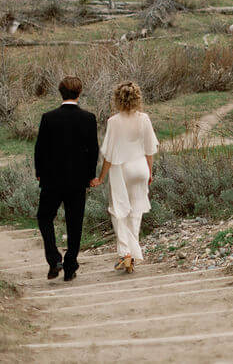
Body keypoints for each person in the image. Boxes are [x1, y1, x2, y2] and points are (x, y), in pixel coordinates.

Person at [35, 76, 99, 282]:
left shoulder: (48, 117)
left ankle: (54, 259)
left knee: (44, 217)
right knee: (75, 222)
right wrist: (91, 175)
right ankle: (70, 265)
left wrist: (39, 172)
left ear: (60, 92)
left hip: (51, 180)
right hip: (78, 181)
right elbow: (93, 151)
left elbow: (40, 149)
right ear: (79, 93)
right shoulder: (88, 118)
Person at [91, 81, 158, 274]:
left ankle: (126, 253)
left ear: (117, 99)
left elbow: (109, 155)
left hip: (122, 169)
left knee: (118, 210)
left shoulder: (114, 121)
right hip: (141, 168)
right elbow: (149, 150)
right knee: (135, 212)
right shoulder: (144, 119)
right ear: (137, 98)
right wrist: (150, 172)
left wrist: (101, 177)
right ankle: (132, 254)